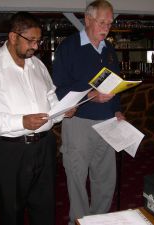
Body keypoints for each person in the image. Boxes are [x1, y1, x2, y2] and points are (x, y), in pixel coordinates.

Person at [0, 12, 75, 225]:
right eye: (31, 40)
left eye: (38, 40)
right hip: (9, 152)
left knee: (45, 209)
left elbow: (50, 96)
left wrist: (61, 110)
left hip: (44, 147)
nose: (35, 46)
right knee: (11, 212)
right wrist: (20, 122)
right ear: (13, 37)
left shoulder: (37, 65)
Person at [52, 0, 125, 224]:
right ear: (87, 19)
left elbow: (115, 84)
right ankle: (80, 221)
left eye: (109, 23)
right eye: (102, 22)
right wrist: (91, 95)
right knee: (77, 177)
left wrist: (118, 110)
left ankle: (99, 220)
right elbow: (59, 89)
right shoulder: (68, 48)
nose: (106, 27)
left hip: (107, 122)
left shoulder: (109, 49)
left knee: (105, 179)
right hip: (79, 123)